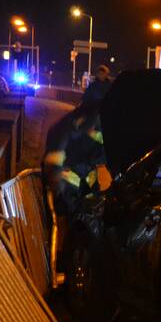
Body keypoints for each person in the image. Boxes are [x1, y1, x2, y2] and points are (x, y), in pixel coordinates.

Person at [41, 103, 110, 277]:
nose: (96, 132)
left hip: (86, 189)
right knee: (73, 231)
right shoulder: (62, 131)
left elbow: (104, 152)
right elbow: (54, 169)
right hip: (68, 195)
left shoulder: (96, 127)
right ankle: (65, 266)